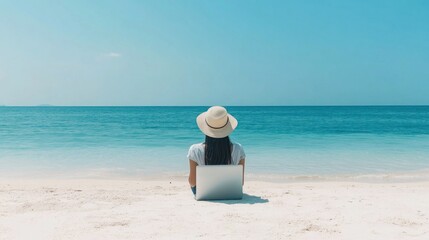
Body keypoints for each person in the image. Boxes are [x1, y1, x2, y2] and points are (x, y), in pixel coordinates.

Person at [187, 106, 246, 195]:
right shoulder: (238, 149)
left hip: (203, 192)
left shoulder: (195, 150)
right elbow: (240, 183)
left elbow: (193, 182)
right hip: (230, 190)